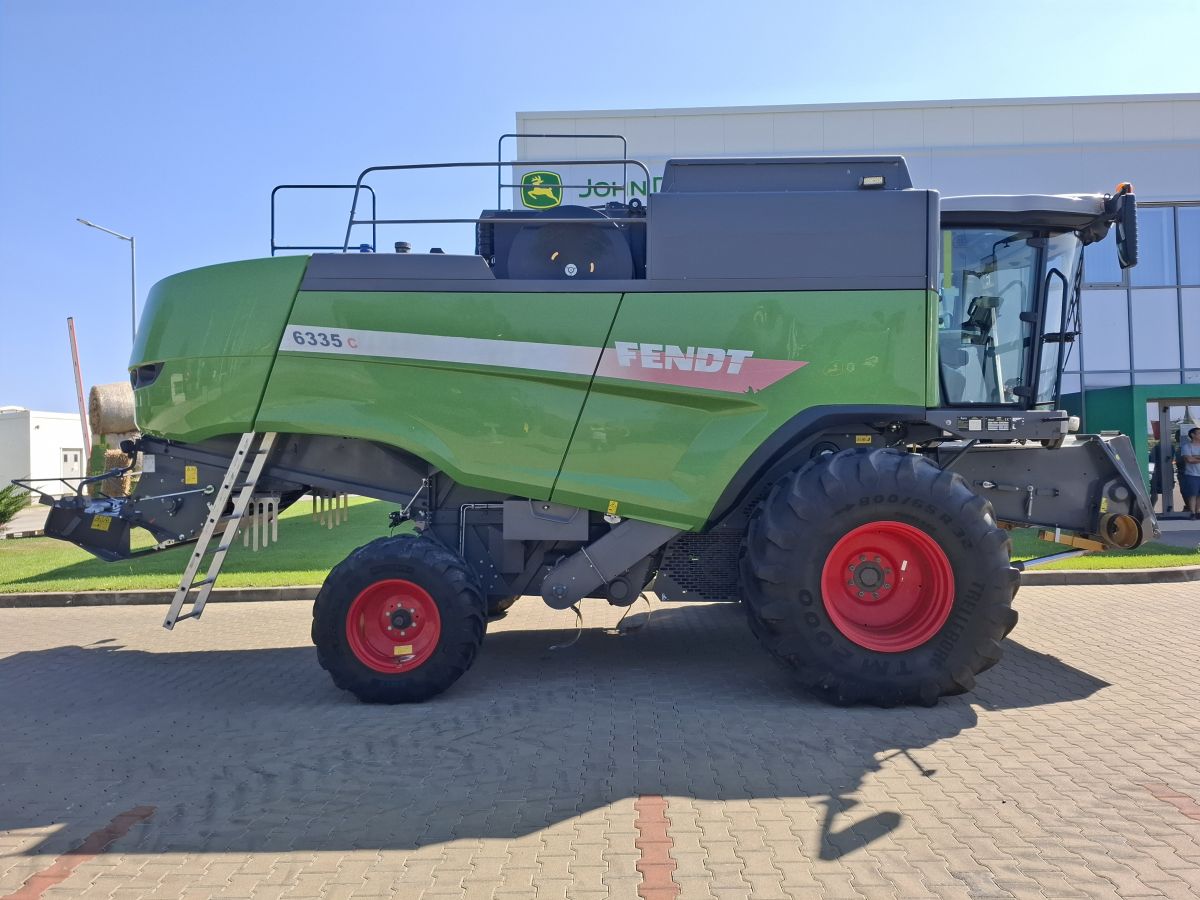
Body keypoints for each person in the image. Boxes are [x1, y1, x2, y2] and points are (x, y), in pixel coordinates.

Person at [1181, 426, 1200, 519]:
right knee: (1193, 494)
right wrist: (1193, 457)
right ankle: (1192, 512)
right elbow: (1189, 459)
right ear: (1193, 435)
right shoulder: (1187, 446)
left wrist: (1195, 456)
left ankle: (1198, 512)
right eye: (1199, 433)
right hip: (1192, 474)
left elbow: (1192, 458)